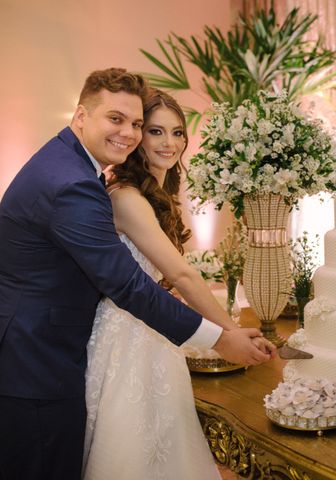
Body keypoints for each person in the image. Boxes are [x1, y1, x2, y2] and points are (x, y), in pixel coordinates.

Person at [0, 68, 274, 480]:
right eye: (116, 119)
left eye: (135, 124)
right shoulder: (72, 183)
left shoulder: (72, 165)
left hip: (50, 347)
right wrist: (221, 338)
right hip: (38, 359)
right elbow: (128, 286)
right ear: (80, 116)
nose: (128, 133)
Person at [82, 88, 248, 479]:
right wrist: (229, 332)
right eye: (156, 131)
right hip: (126, 336)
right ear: (139, 139)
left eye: (177, 132)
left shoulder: (159, 194)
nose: (169, 143)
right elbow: (182, 274)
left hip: (155, 332)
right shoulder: (126, 196)